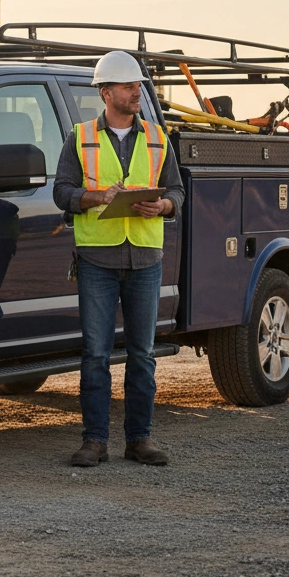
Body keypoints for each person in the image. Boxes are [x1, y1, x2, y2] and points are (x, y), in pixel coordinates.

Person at [53, 50, 185, 467]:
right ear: (107, 93)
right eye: (130, 87)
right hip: (98, 261)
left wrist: (162, 206)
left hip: (145, 259)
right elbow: (62, 191)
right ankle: (94, 442)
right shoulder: (80, 137)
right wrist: (93, 197)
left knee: (142, 355)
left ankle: (139, 440)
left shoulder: (158, 138)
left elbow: (177, 192)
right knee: (95, 355)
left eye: (139, 87)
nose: (138, 93)